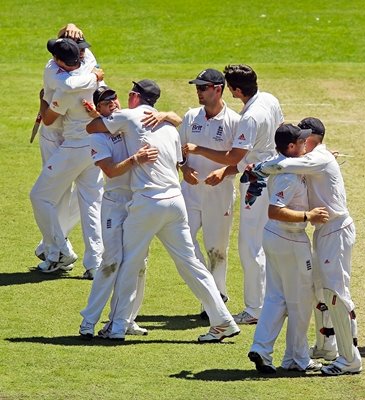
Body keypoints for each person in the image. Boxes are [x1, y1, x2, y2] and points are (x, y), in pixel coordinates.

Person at [86, 79, 239, 342]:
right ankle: (223, 320)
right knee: (191, 264)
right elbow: (178, 155)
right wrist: (168, 115)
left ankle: (118, 326)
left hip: (148, 202)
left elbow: (93, 126)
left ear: (135, 96)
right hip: (175, 202)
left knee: (130, 263)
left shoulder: (129, 116)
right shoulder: (168, 126)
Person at [254, 117, 362, 376]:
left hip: (334, 230)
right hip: (323, 231)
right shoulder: (314, 159)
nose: (303, 142)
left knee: (336, 294)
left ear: (312, 140)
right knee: (322, 293)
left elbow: (285, 164)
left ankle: (349, 359)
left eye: (305, 138)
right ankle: (327, 348)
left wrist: (257, 168)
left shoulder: (316, 158)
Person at [183, 64, 284, 325]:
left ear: (232, 89)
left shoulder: (247, 118)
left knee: (250, 248)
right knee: (256, 245)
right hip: (268, 175)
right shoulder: (269, 99)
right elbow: (281, 131)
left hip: (256, 181)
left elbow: (234, 157)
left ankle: (255, 309)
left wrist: (200, 150)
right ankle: (254, 304)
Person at [248, 124, 329, 374]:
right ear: (291, 147)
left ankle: (261, 349)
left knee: (276, 298)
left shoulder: (282, 163)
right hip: (289, 240)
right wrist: (308, 215)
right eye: (302, 142)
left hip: (275, 238)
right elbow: (275, 209)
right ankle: (298, 359)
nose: (306, 145)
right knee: (301, 302)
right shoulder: (288, 175)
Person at [79, 87, 157, 339]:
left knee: (139, 264)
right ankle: (88, 321)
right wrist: (136, 159)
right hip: (115, 203)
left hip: (138, 202)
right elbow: (111, 171)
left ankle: (125, 319)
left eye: (114, 99)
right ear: (97, 109)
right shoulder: (98, 137)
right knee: (111, 262)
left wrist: (165, 114)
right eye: (105, 102)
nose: (112, 103)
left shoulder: (126, 121)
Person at [33, 24, 104, 271]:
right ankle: (94, 262)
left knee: (46, 196)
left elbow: (54, 112)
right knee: (90, 201)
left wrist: (43, 103)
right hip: (92, 144)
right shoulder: (80, 67)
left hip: (69, 141)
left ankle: (57, 251)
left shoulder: (63, 81)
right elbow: (92, 74)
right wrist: (70, 26)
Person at [178, 69, 240, 317]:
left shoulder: (234, 121)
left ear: (218, 89)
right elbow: (178, 151)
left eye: (203, 88)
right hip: (190, 192)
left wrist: (224, 172)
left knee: (217, 249)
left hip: (219, 193)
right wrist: (183, 169)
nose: (199, 92)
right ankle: (211, 291)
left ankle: (217, 298)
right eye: (197, 88)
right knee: (184, 243)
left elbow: (241, 160)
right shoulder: (191, 116)